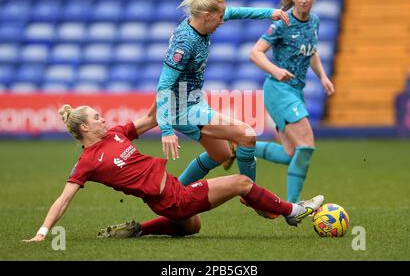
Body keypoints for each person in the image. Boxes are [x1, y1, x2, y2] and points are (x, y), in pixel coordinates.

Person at [23, 103, 324, 242]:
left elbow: (151, 118)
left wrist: (167, 84)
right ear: (85, 127)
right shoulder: (88, 161)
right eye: (97, 118)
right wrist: (42, 233)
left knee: (191, 228)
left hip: (165, 198)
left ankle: (139, 229)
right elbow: (63, 199)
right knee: (242, 182)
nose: (104, 120)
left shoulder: (115, 134)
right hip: (171, 196)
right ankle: (292, 211)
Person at [157, 0, 291, 186]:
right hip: (182, 110)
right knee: (246, 135)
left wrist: (269, 13)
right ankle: (252, 195)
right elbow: (163, 85)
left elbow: (235, 12)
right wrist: (166, 131)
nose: (222, 21)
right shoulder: (185, 43)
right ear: (206, 15)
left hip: (194, 101)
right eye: (220, 17)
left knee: (221, 153)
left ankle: (175, 193)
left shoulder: (200, 23)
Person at [223, 0, 335, 204]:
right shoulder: (282, 23)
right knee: (306, 147)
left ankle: (240, 146)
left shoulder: (314, 21)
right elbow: (255, 52)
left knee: (291, 154)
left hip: (295, 91)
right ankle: (294, 206)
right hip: (279, 90)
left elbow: (311, 51)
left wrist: (323, 76)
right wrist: (275, 70)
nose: (303, 0)